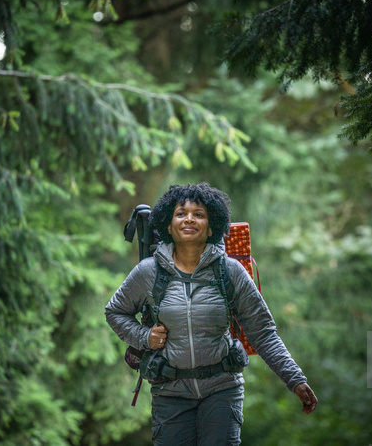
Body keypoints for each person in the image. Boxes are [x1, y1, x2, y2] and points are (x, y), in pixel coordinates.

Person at [105, 183, 317, 445]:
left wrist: (294, 379)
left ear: (213, 226)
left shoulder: (231, 271)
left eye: (200, 214)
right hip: (170, 392)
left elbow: (262, 332)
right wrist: (144, 337)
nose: (190, 219)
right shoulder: (148, 272)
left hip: (222, 390)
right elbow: (115, 311)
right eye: (181, 213)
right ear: (169, 226)